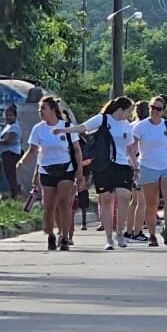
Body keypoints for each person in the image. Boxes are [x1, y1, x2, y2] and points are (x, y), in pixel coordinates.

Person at [55, 97, 137, 250]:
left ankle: (119, 232)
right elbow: (83, 127)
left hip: (122, 164)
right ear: (121, 109)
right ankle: (108, 238)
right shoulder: (102, 119)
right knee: (106, 199)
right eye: (129, 111)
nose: (130, 114)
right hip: (104, 165)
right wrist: (64, 130)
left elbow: (130, 147)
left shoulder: (126, 124)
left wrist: (134, 164)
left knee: (125, 197)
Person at [17, 96, 84, 251]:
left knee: (63, 203)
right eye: (40, 109)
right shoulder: (38, 129)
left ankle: (65, 237)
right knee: (49, 206)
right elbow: (33, 150)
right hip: (46, 169)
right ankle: (51, 235)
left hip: (65, 168)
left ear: (53, 110)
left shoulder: (66, 126)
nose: (40, 112)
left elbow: (76, 149)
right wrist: (22, 162)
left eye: (43, 109)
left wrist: (79, 171)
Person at [129, 96, 167, 247]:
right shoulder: (140, 126)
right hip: (147, 167)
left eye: (158, 109)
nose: (154, 111)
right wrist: (134, 165)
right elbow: (131, 148)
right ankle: (151, 235)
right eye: (152, 107)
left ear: (163, 111)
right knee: (151, 204)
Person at [123, 100, 149, 242]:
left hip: (128, 163)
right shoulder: (145, 126)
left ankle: (128, 230)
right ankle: (137, 231)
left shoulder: (131, 125)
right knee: (142, 201)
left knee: (133, 201)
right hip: (139, 163)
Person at [0, 105, 22, 200]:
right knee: (9, 176)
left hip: (11, 154)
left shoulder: (15, 127)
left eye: (10, 115)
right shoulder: (8, 126)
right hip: (6, 154)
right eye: (7, 115)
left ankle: (15, 195)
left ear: (15, 116)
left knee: (12, 176)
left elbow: (8, 141)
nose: (8, 117)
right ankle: (13, 195)